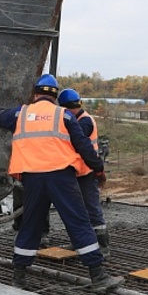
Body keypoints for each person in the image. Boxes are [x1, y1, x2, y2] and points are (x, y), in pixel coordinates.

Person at [0, 74, 122, 292]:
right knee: (78, 221)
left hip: (32, 178)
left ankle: (19, 276)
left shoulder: (21, 114)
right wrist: (98, 169)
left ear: (36, 94)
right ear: (55, 97)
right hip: (61, 177)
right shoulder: (64, 115)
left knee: (31, 224)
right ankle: (98, 276)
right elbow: (84, 146)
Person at [57, 88, 110, 258]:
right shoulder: (78, 118)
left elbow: (71, 141)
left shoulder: (84, 122)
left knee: (92, 209)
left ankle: (102, 246)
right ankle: (79, 242)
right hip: (76, 172)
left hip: (86, 173)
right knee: (78, 210)